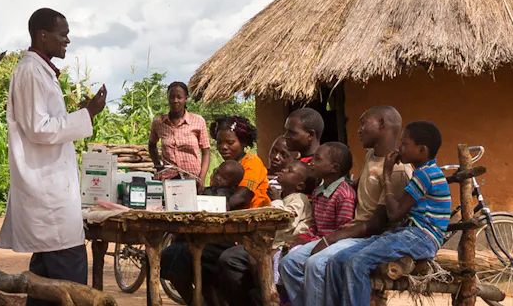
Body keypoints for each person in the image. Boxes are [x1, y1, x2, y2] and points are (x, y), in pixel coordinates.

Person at [0, 7, 106, 284]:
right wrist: (89, 114)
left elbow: (46, 124)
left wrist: (80, 116)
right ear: (42, 35)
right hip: (48, 196)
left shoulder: (39, 71)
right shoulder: (31, 72)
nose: (67, 40)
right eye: (63, 34)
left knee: (45, 286)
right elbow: (39, 128)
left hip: (50, 193)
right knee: (69, 281)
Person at [318, 120, 451, 306]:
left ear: (422, 150)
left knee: (357, 263)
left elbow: (395, 213)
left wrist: (386, 173)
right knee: (336, 260)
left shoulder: (425, 175)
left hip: (422, 237)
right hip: (408, 234)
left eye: (405, 144)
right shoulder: (424, 172)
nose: (400, 148)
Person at [279, 108, 402, 304]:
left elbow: (377, 223)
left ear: (381, 125)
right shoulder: (372, 155)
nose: (359, 130)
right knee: (289, 263)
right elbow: (362, 185)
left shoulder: (396, 169)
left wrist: (331, 238)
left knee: (316, 263)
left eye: (363, 124)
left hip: (368, 236)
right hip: (353, 230)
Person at [162, 115, 268, 305]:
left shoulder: (251, 164)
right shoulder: (220, 170)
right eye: (219, 143)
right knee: (172, 254)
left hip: (246, 233)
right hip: (221, 231)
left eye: (230, 142)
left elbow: (238, 199)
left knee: (187, 254)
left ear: (243, 142)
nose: (223, 147)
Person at [150, 80, 212, 181]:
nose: (175, 100)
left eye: (179, 97)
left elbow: (206, 152)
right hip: (168, 179)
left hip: (192, 178)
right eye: (172, 97)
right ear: (168, 98)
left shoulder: (198, 121)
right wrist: (158, 166)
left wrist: (202, 178)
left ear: (186, 99)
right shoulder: (159, 122)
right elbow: (152, 145)